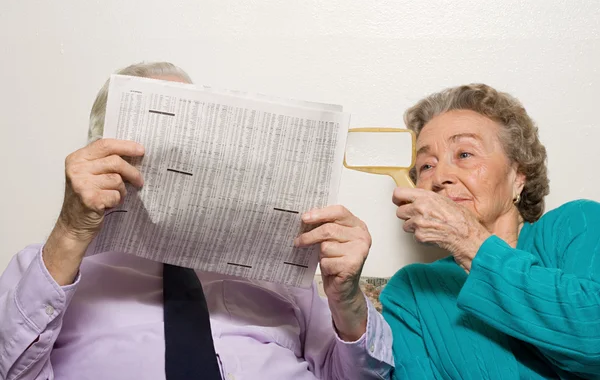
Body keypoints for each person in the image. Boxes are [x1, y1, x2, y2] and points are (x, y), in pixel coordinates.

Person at [0, 62, 394, 380]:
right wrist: (70, 233)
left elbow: (361, 377)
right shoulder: (49, 266)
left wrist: (347, 301)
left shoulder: (283, 269)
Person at [380, 83, 600, 379]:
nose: (440, 177)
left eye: (465, 155)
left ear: (518, 175)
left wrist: (470, 244)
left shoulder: (577, 224)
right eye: (426, 165)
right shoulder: (411, 291)